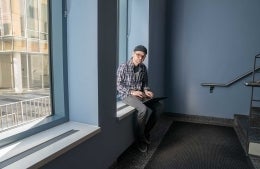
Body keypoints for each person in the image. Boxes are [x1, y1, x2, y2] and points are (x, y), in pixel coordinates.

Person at [117, 45, 163, 153]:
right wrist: (132, 92)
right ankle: (139, 139)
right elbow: (118, 85)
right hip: (126, 95)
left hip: (140, 94)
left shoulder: (143, 68)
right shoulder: (123, 67)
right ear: (133, 53)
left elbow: (145, 83)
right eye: (138, 55)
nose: (140, 58)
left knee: (159, 107)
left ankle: (145, 132)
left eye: (143, 56)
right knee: (143, 110)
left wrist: (147, 91)